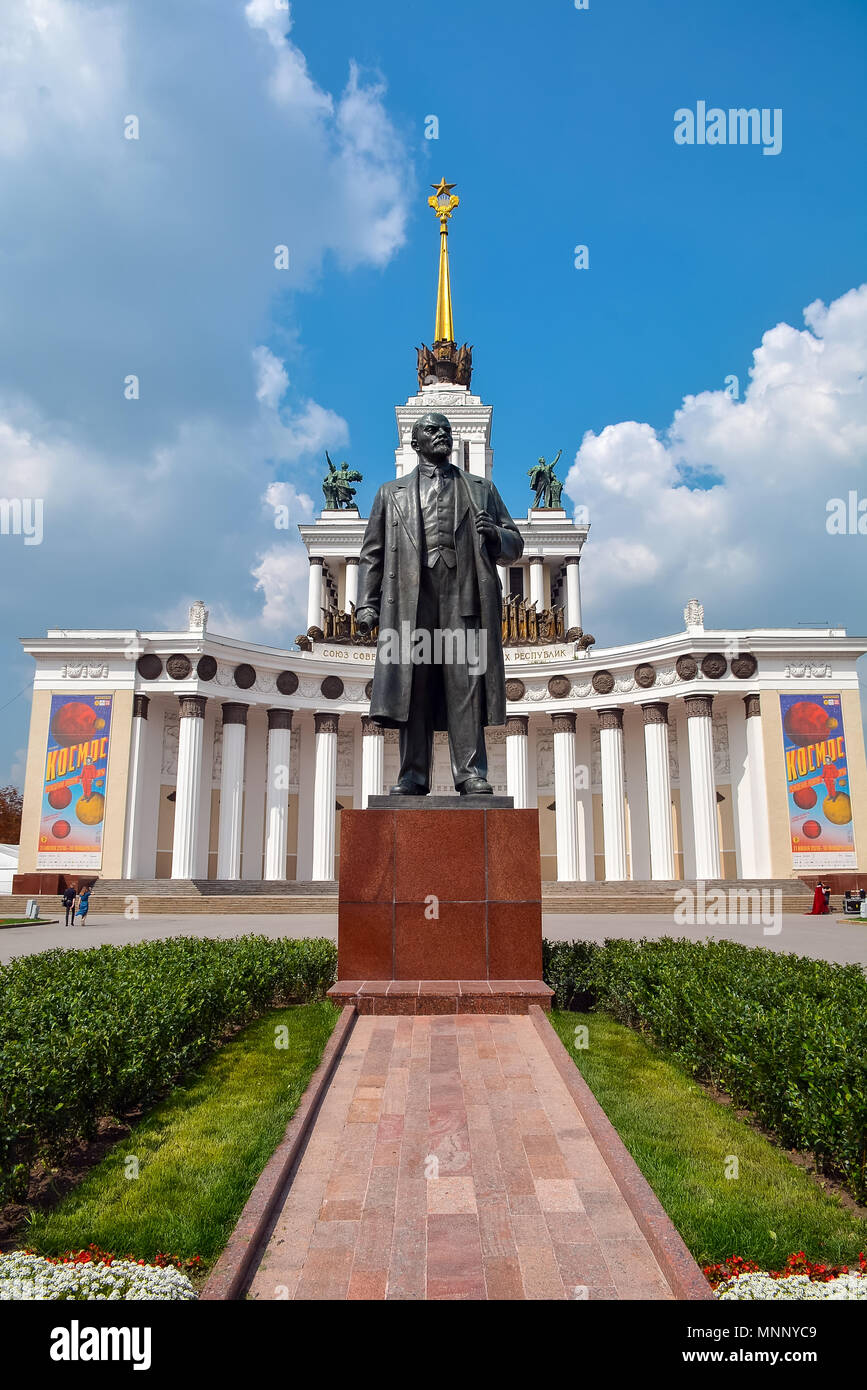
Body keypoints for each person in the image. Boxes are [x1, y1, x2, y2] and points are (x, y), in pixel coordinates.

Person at [355, 412, 523, 795]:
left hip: (464, 597)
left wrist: (495, 534)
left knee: (464, 684)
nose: (442, 435)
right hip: (410, 603)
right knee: (413, 686)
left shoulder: (481, 489)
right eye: (432, 430)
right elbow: (372, 555)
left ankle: (470, 772)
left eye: (446, 430)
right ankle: (413, 774)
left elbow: (515, 545)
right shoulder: (389, 493)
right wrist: (368, 604)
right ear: (415, 443)